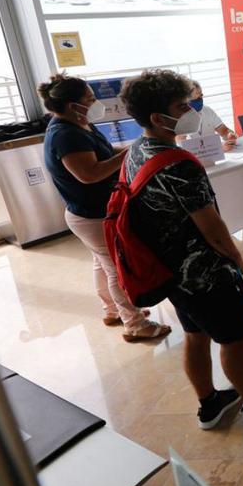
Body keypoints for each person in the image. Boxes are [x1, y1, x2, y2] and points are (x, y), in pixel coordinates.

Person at [119, 69, 243, 431]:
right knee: (235, 339)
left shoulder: (136, 152)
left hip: (170, 270)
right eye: (181, 105)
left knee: (194, 333)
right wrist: (234, 258)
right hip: (204, 273)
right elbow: (211, 225)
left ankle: (210, 403)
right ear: (160, 117)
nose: (190, 109)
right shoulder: (177, 163)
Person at [38, 74, 171, 342]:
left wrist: (137, 146)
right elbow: (89, 174)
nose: (95, 102)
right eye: (89, 99)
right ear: (71, 105)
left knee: (102, 263)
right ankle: (135, 324)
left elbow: (106, 153)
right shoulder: (66, 135)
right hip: (91, 215)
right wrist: (128, 154)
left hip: (92, 212)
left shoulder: (80, 123)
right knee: (117, 267)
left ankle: (112, 310)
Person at [182, 81, 237, 152]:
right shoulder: (179, 117)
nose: (200, 99)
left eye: (201, 96)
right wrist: (218, 148)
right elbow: (184, 146)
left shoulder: (207, 110)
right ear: (186, 100)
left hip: (216, 157)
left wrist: (230, 135)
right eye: (196, 98)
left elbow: (223, 130)